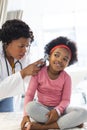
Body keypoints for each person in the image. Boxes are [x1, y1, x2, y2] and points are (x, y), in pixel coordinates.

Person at [21, 36, 87, 130]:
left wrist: (57, 111)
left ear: (68, 63)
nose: (60, 60)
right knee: (30, 107)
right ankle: (66, 123)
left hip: (60, 110)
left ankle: (43, 127)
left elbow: (66, 100)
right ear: (49, 55)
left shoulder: (66, 78)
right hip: (43, 110)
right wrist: (25, 116)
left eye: (65, 59)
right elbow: (29, 95)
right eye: (56, 55)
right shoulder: (38, 73)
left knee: (84, 112)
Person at [0, 19, 45, 112]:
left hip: (9, 100)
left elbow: (29, 80)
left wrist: (38, 72)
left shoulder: (24, 55)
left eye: (27, 46)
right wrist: (24, 72)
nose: (24, 50)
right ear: (7, 43)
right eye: (21, 46)